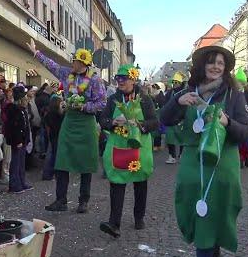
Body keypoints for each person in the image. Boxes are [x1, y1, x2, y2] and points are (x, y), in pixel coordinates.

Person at [160, 44, 248, 257]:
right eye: (211, 62)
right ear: (202, 66)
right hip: (193, 160)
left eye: (220, 63)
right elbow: (164, 120)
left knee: (217, 210)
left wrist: (227, 121)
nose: (215, 67)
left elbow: (246, 132)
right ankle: (210, 247)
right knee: (193, 205)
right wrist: (177, 101)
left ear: (226, 68)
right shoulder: (188, 92)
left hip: (223, 161)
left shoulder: (234, 95)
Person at [27, 38, 107, 213]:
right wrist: (36, 52)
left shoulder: (95, 81)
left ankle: (83, 201)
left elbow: (101, 103)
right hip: (69, 123)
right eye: (73, 61)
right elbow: (52, 65)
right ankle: (61, 200)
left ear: (84, 64)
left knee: (86, 164)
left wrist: (84, 106)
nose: (73, 63)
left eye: (76, 61)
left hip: (86, 124)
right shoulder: (67, 74)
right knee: (61, 161)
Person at [98, 65, 159, 237]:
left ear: (133, 79)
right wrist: (112, 122)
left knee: (140, 182)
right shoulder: (113, 99)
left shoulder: (144, 99)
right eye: (118, 78)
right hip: (119, 146)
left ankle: (139, 217)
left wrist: (140, 125)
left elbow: (155, 122)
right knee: (117, 182)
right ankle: (114, 223)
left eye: (124, 78)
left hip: (139, 148)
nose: (120, 82)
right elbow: (102, 119)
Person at [4, 85, 33, 194]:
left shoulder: (22, 110)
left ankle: (21, 181)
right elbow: (14, 127)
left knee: (21, 162)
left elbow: (24, 125)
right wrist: (18, 140)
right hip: (18, 140)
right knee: (16, 162)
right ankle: (14, 184)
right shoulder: (14, 110)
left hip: (23, 139)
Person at [164, 72, 186, 164]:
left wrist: (183, 118)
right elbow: (165, 104)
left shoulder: (184, 92)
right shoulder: (170, 92)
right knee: (170, 138)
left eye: (176, 82)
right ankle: (172, 156)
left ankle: (181, 155)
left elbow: (187, 107)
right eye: (173, 82)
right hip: (170, 120)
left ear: (180, 83)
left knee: (181, 139)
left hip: (180, 120)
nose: (174, 84)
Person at [42, 95, 65, 181]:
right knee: (54, 155)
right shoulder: (56, 114)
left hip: (52, 136)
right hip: (56, 136)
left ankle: (49, 173)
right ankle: (50, 173)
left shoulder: (49, 113)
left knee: (52, 154)